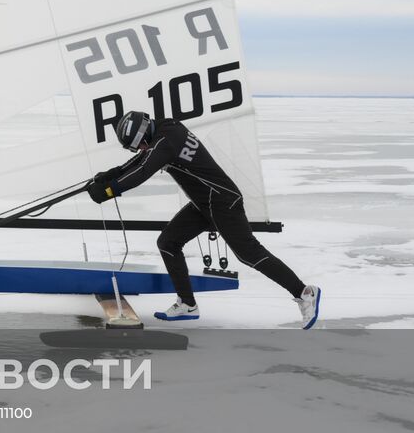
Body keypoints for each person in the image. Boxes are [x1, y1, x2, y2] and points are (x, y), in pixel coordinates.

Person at [88, 110, 320, 328]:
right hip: (204, 204)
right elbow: (143, 159)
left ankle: (304, 292)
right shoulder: (166, 128)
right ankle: (187, 304)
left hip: (222, 202)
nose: (139, 149)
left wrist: (110, 190)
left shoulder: (165, 142)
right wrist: (113, 174)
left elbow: (143, 171)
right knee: (168, 243)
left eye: (137, 145)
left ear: (142, 134)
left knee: (249, 254)